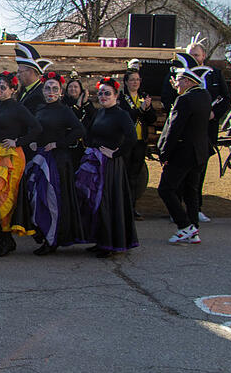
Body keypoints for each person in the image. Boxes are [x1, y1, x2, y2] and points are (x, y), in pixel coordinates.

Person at [162, 34, 231, 223]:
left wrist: (213, 113)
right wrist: (179, 115)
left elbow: (226, 98)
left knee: (197, 172)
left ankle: (195, 209)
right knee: (177, 171)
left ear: (204, 55)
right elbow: (169, 98)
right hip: (183, 133)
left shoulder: (215, 74)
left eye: (197, 54)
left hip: (205, 131)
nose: (194, 57)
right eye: (190, 54)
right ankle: (176, 209)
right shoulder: (176, 74)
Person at [0, 71, 42, 256]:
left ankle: (6, 238)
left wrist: (18, 141)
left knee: (1, 196)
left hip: (11, 156)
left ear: (13, 89)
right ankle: (2, 239)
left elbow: (36, 128)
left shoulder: (18, 108)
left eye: (3, 88)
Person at [76, 77, 138, 258]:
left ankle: (110, 243)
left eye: (107, 93)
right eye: (101, 93)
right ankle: (99, 240)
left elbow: (132, 138)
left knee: (105, 202)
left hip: (110, 166)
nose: (103, 96)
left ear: (116, 96)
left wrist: (115, 153)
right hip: (96, 161)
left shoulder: (121, 114)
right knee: (94, 200)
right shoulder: (100, 113)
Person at [27, 71, 86, 255]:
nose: (50, 91)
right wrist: (34, 140)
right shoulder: (40, 109)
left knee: (52, 199)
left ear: (61, 92)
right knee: (37, 197)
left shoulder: (64, 110)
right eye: (47, 88)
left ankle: (52, 239)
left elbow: (79, 130)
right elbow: (36, 129)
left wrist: (59, 144)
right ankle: (43, 233)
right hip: (40, 158)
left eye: (54, 88)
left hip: (57, 161)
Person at [157, 60, 213, 244]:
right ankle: (194, 230)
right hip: (199, 153)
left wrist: (164, 152)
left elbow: (174, 129)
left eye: (179, 80)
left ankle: (184, 225)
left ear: (189, 81)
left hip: (183, 153)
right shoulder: (204, 96)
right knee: (191, 192)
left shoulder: (184, 99)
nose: (176, 84)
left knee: (165, 189)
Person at [120, 68, 157, 220]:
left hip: (140, 142)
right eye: (132, 79)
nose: (135, 82)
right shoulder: (121, 98)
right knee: (124, 175)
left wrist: (147, 109)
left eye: (137, 79)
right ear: (126, 82)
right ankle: (122, 207)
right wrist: (140, 110)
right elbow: (125, 117)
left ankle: (132, 207)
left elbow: (152, 118)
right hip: (126, 142)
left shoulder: (144, 97)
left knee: (135, 176)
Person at [14, 42, 49, 114]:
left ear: (30, 72)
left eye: (20, 72)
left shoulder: (40, 94)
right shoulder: (23, 90)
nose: (17, 75)